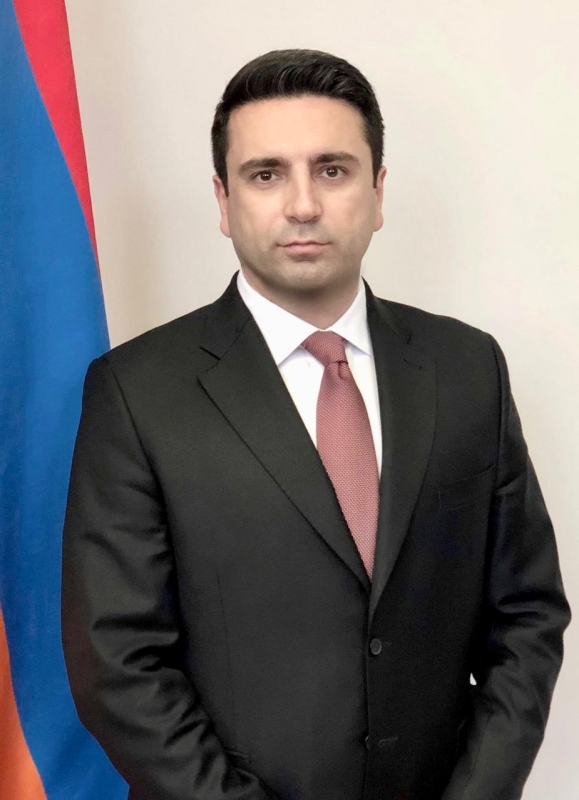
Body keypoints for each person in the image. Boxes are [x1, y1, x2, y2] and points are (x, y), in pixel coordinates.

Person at [62, 49, 570, 800]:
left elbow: (526, 617)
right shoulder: (135, 393)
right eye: (265, 174)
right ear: (224, 199)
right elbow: (118, 662)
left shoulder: (469, 369)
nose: (302, 204)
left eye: (332, 169)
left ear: (377, 191)